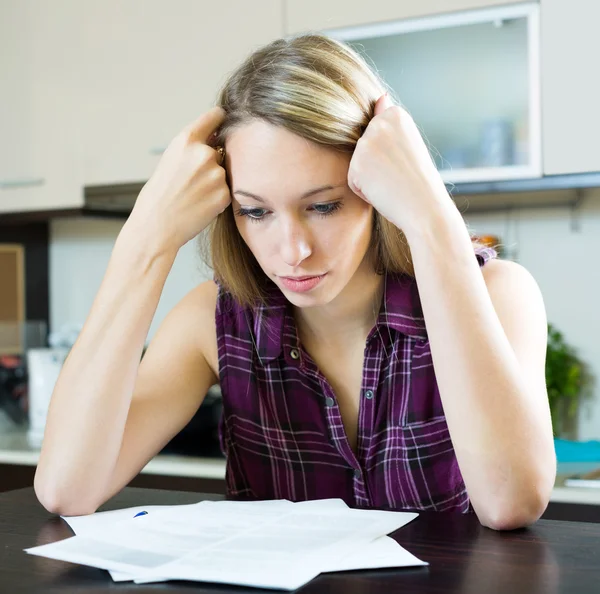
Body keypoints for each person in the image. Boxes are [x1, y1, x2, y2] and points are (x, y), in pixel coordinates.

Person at [34, 34, 556, 530]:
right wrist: (144, 242)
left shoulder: (499, 295)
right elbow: (66, 489)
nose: (293, 251)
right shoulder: (214, 320)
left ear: (381, 189)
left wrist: (431, 218)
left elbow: (511, 503)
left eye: (324, 205)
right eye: (255, 212)